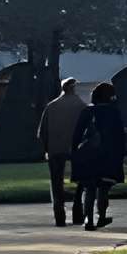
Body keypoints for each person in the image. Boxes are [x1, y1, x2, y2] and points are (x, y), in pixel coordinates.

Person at [71, 80, 127, 229]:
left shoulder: (87, 112)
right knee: (103, 187)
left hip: (88, 154)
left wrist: (74, 152)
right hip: (107, 155)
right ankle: (101, 216)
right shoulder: (113, 113)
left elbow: (77, 134)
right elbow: (119, 136)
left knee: (89, 188)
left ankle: (88, 220)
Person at [36, 76, 88, 226]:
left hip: (55, 149)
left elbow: (42, 132)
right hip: (77, 149)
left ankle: (59, 215)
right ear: (74, 88)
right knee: (82, 181)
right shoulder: (81, 106)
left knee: (56, 182)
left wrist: (46, 148)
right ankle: (78, 213)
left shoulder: (51, 106)